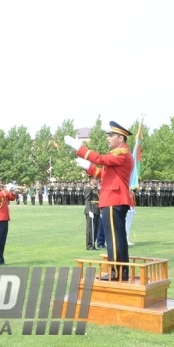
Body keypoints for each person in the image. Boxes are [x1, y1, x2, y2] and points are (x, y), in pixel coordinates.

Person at [66, 120, 134, 281]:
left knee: (114, 238)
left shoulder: (121, 153)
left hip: (114, 199)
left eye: (111, 135)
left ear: (121, 138)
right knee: (118, 237)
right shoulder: (119, 154)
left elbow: (102, 160)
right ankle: (121, 272)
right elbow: (103, 174)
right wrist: (87, 167)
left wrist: (79, 148)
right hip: (115, 199)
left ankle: (115, 272)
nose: (108, 138)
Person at [83, 176, 100, 250]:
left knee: (95, 228)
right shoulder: (88, 188)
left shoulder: (95, 188)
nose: (97, 180)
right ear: (92, 179)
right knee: (90, 229)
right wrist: (89, 211)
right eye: (96, 179)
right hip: (92, 209)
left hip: (96, 209)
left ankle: (93, 244)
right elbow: (87, 200)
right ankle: (89, 245)